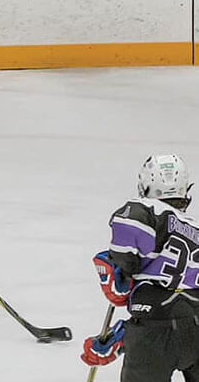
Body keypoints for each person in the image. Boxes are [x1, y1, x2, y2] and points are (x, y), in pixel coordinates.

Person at [82, 154, 199, 381]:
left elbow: (123, 271)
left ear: (145, 184)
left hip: (153, 332)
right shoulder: (195, 227)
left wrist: (117, 271)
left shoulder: (143, 210)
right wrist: (124, 335)